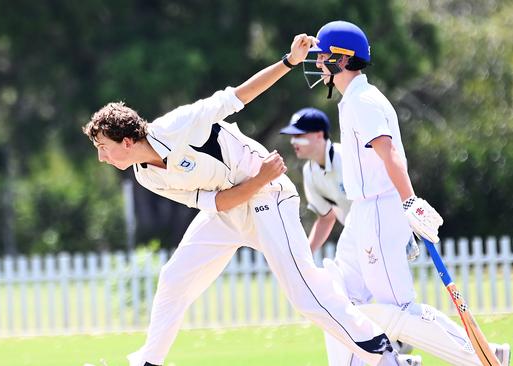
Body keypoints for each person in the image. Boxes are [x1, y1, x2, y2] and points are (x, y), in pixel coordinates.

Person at [82, 34, 420, 366]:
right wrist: (259, 176)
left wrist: (289, 62)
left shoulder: (176, 126)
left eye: (103, 148)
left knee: (304, 293)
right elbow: (217, 204)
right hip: (233, 206)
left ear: (126, 141)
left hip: (269, 197)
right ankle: (149, 363)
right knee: (173, 278)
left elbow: (237, 96)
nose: (101, 158)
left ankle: (379, 347)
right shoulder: (146, 175)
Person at [303, 20, 511, 366]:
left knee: (397, 310)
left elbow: (389, 152)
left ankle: (484, 357)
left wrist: (409, 202)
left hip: (380, 209)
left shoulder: (364, 101)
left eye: (323, 55)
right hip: (362, 212)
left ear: (342, 59)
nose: (319, 62)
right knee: (340, 298)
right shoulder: (354, 99)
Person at [280, 107, 420, 366]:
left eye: (300, 135)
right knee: (349, 305)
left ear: (320, 135)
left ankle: (403, 348)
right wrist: (306, 255)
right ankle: (397, 355)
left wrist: (405, 226)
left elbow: (385, 186)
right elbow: (325, 217)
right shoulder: (310, 173)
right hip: (359, 242)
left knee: (385, 303)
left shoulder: (347, 158)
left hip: (380, 232)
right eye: (292, 136)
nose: (293, 142)